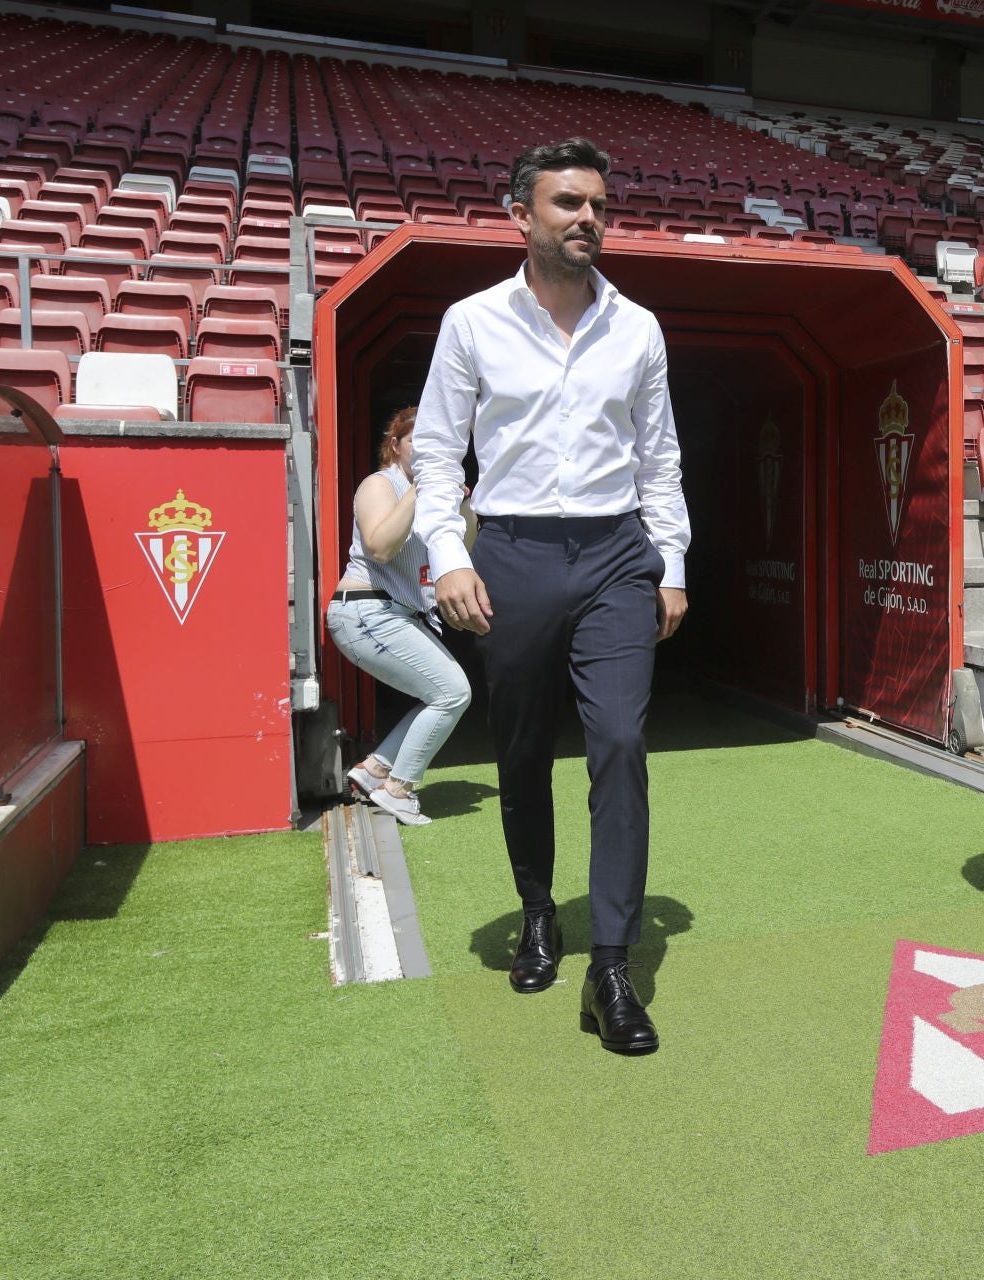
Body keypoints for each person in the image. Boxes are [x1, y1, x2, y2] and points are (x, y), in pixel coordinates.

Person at [413, 137, 690, 1055]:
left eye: (598, 205)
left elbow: (660, 460)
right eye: (567, 203)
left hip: (616, 552)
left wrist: (673, 564)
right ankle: (539, 906)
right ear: (521, 216)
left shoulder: (639, 328)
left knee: (618, 737)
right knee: (523, 742)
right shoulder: (471, 321)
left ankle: (610, 962)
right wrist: (449, 556)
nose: (587, 219)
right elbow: (436, 451)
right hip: (517, 553)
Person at [326, 407, 474, 827]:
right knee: (453, 693)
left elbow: (465, 555)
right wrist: (419, 489)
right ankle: (398, 788)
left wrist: (465, 510)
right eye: (416, 442)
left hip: (390, 614)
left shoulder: (432, 498)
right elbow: (380, 547)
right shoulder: (380, 484)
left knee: (442, 694)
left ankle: (373, 770)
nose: (426, 453)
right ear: (395, 446)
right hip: (365, 610)